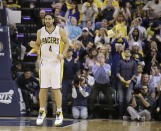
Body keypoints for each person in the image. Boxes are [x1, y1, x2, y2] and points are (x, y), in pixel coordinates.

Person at [30, 13, 69, 126]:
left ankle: (59, 113)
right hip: (44, 63)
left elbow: (67, 43)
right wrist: (34, 45)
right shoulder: (40, 31)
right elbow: (38, 45)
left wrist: (63, 54)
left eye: (49, 19)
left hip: (56, 63)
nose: (47, 20)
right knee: (43, 88)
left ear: (53, 20)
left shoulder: (60, 30)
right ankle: (42, 112)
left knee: (56, 89)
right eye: (45, 19)